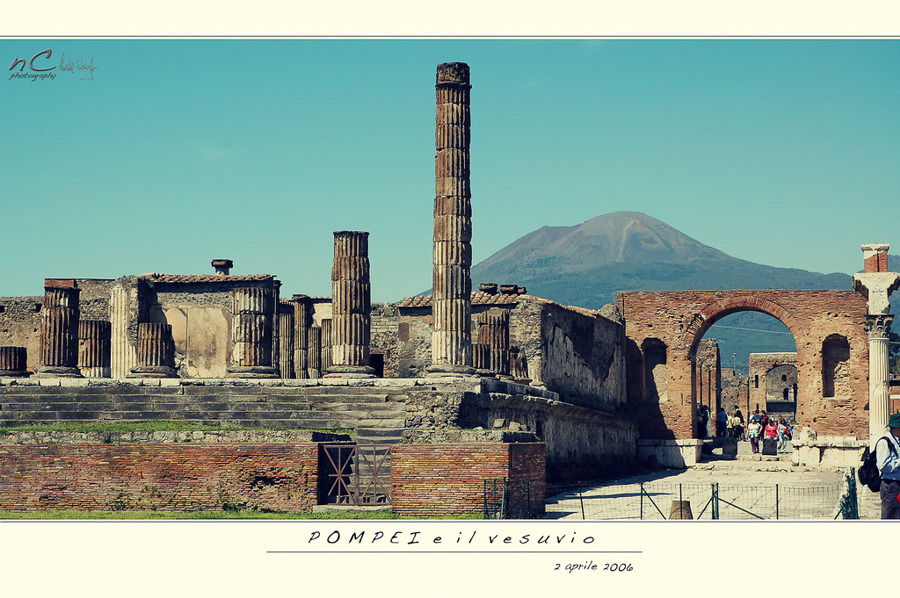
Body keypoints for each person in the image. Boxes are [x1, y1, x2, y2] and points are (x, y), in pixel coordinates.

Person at [876, 413, 900, 519]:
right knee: (890, 517)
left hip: (897, 485)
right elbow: (883, 466)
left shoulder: (897, 441)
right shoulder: (884, 442)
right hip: (891, 486)